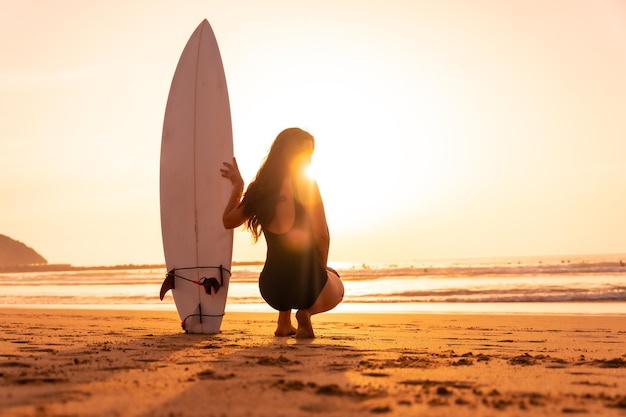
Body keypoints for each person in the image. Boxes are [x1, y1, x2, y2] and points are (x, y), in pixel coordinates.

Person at [221, 128, 344, 338]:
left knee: (285, 262)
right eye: (307, 155)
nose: (309, 161)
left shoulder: (260, 189)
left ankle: (283, 323)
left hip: (271, 286)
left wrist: (238, 187)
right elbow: (322, 235)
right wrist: (321, 272)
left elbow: (228, 220)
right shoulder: (306, 184)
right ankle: (306, 313)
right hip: (306, 284)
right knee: (337, 283)